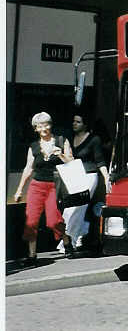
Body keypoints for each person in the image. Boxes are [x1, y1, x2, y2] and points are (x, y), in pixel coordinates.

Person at [13, 112, 73, 266]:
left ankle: (66, 240)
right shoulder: (33, 146)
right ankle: (32, 256)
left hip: (54, 186)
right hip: (36, 186)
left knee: (53, 221)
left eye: (46, 124)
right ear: (35, 129)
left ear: (50, 125)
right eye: (40, 126)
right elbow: (28, 168)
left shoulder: (61, 140)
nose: (44, 128)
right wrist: (19, 189)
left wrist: (61, 155)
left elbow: (71, 161)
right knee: (31, 221)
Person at [58, 114, 110, 257]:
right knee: (69, 209)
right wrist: (60, 155)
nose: (74, 124)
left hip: (89, 176)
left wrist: (106, 177)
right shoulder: (70, 138)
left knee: (77, 209)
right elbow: (70, 160)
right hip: (75, 175)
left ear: (85, 124)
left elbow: (100, 160)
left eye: (78, 121)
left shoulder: (94, 139)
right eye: (73, 121)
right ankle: (79, 233)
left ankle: (71, 242)